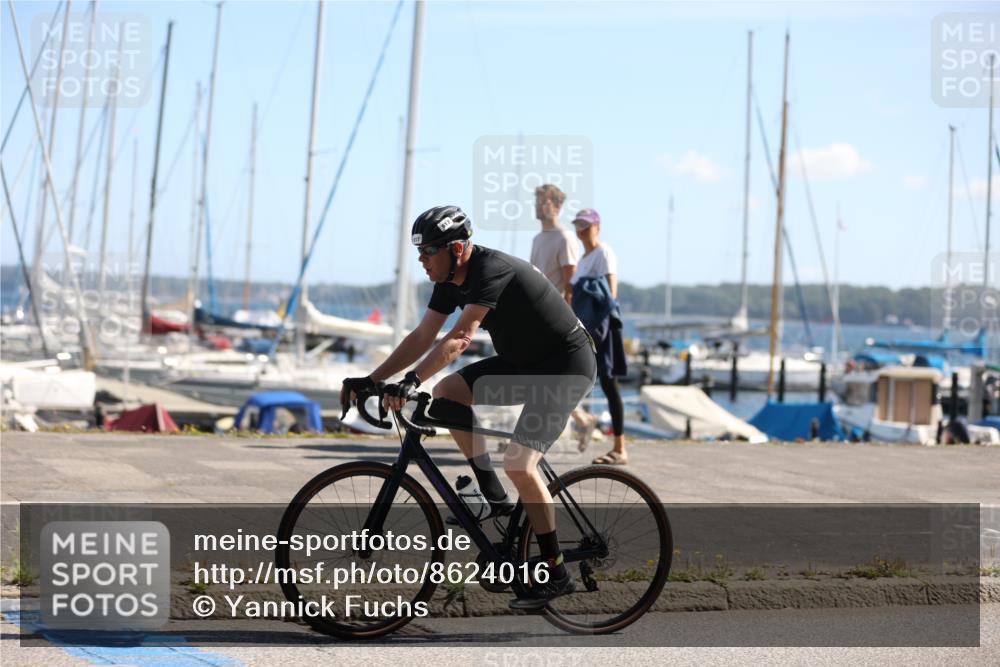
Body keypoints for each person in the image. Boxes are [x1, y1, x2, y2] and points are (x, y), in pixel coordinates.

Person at [340, 205, 595, 609]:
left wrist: (411, 381)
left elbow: (460, 337)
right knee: (448, 393)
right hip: (524, 364)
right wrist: (372, 379)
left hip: (564, 368)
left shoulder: (490, 270)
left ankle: (557, 571)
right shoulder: (449, 279)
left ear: (456, 249)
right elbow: (423, 335)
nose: (422, 260)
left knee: (520, 464)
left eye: (429, 251)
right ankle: (495, 496)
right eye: (419, 252)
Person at [569, 208, 629, 465]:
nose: (581, 230)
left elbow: (611, 294)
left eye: (586, 225)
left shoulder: (604, 252)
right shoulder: (583, 259)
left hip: (602, 327)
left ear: (597, 227)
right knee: (574, 377)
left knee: (609, 384)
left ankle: (620, 448)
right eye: (578, 225)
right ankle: (584, 421)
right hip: (586, 326)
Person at [530, 184, 579, 304]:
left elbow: (571, 284)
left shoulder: (565, 237)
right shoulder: (537, 239)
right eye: (537, 202)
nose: (538, 205)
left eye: (543, 202)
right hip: (537, 306)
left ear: (558, 206)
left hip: (556, 308)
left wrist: (568, 312)